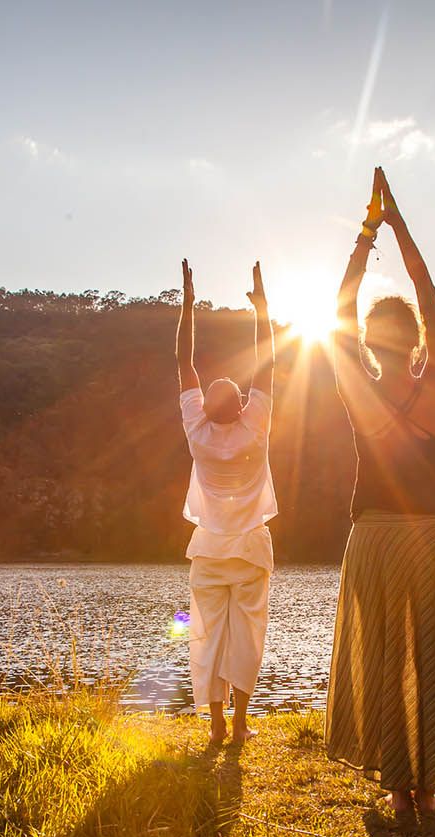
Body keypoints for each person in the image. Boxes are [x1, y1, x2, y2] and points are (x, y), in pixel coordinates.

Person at [324, 168, 435, 813]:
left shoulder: (355, 385)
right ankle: (426, 787)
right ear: (419, 340)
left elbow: (339, 309)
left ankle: (399, 790)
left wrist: (367, 232)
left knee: (382, 658)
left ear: (370, 341)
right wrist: (399, 226)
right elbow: (429, 297)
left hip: (375, 535)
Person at [176, 258, 277, 743]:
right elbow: (270, 363)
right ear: (240, 405)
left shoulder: (196, 433)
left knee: (209, 635)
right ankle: (238, 723)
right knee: (245, 636)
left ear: (206, 408)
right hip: (251, 550)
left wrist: (188, 304)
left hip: (209, 552)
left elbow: (184, 365)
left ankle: (216, 723)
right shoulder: (255, 426)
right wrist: (261, 308)